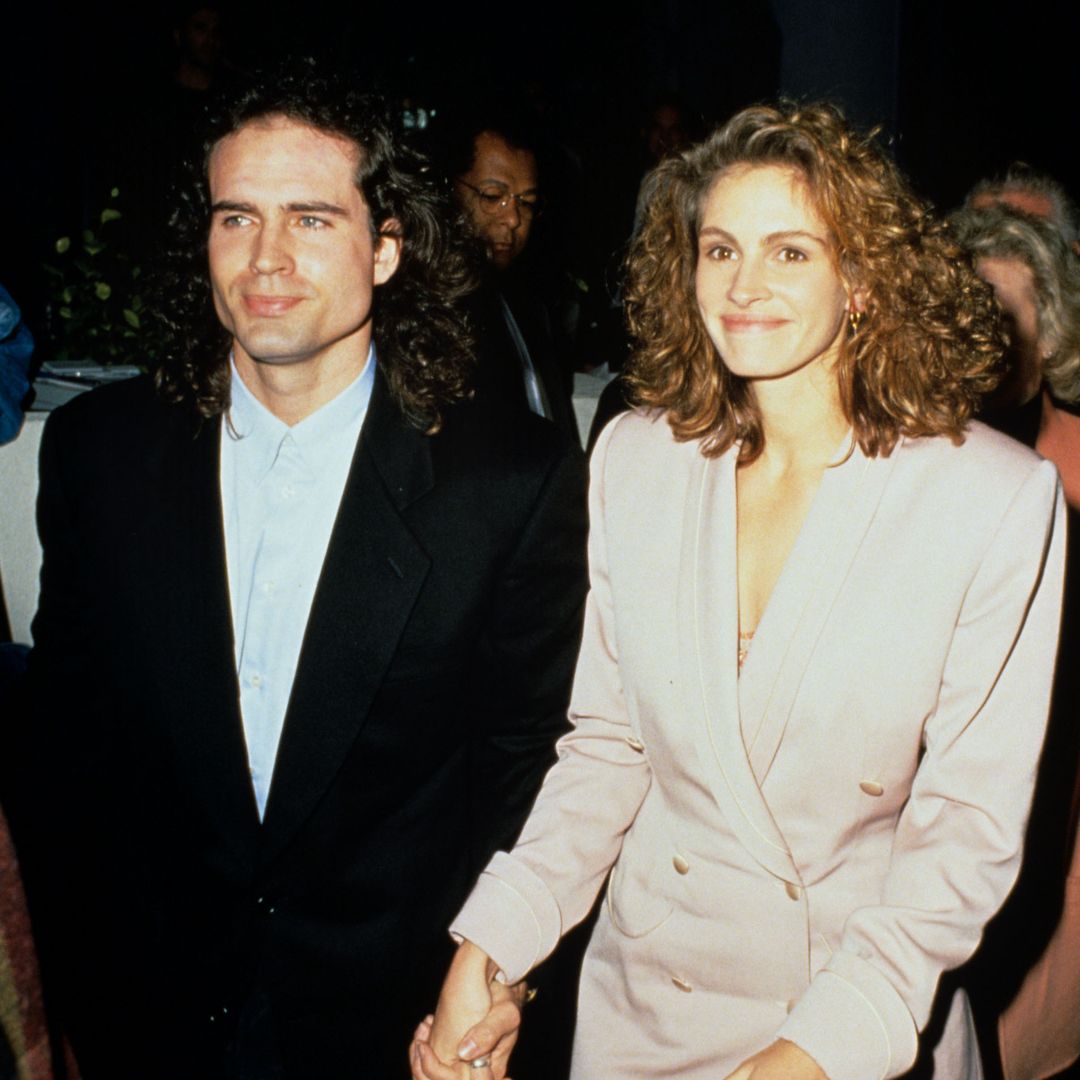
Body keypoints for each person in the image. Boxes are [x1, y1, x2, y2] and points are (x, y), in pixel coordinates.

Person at [411, 102, 1067, 1080]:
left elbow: (962, 837)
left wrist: (813, 1051)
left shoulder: (990, 498)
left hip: (850, 1014)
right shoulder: (637, 459)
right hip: (643, 1017)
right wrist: (494, 949)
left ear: (863, 279)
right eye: (719, 249)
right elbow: (607, 749)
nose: (743, 285)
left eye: (789, 252)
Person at [9, 62, 587, 1079]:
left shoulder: (507, 483)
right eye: (236, 217)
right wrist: (84, 984)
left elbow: (523, 776)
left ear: (386, 248)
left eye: (311, 219)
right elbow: (71, 749)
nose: (265, 258)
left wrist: (492, 980)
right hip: (149, 1017)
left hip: (394, 1027)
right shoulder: (101, 453)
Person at [950, 203, 1080, 1080]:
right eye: (968, 307)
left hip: (1046, 832)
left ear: (1052, 332)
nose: (985, 332)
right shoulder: (908, 457)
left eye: (1007, 312)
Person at [435, 108, 579, 442]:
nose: (513, 219)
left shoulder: (530, 302)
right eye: (493, 197)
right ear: (448, 190)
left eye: (526, 203)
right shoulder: (427, 309)